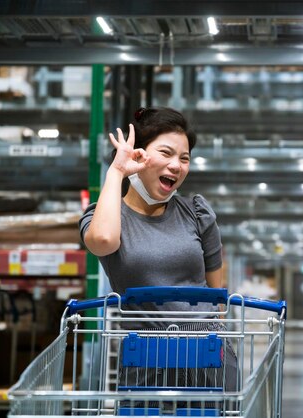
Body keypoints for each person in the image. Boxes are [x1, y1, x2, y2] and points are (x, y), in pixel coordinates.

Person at [79, 107, 237, 393]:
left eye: (185, 158)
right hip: (146, 360)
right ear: (138, 155)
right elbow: (102, 241)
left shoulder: (197, 213)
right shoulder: (107, 217)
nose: (177, 165)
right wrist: (117, 171)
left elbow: (217, 298)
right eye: (166, 153)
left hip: (207, 357)